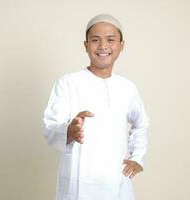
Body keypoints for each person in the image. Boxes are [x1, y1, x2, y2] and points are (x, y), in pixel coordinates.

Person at [42, 14, 149, 200]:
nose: (102, 46)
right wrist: (69, 131)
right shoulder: (68, 83)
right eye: (95, 40)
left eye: (110, 40)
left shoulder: (127, 87)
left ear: (121, 46)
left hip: (117, 182)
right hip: (79, 183)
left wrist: (137, 158)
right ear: (85, 45)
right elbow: (50, 126)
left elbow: (141, 124)